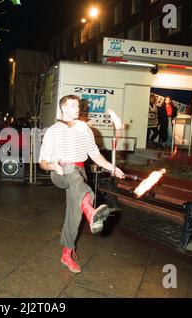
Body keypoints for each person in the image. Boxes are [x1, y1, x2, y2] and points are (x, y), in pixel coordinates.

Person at [39, 95, 125, 274]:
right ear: (63, 108)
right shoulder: (53, 131)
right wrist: (52, 165)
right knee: (73, 176)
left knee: (74, 214)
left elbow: (95, 154)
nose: (77, 108)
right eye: (72, 105)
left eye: (78, 106)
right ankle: (91, 212)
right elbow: (42, 162)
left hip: (79, 173)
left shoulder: (84, 128)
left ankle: (66, 253)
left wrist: (113, 167)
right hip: (59, 172)